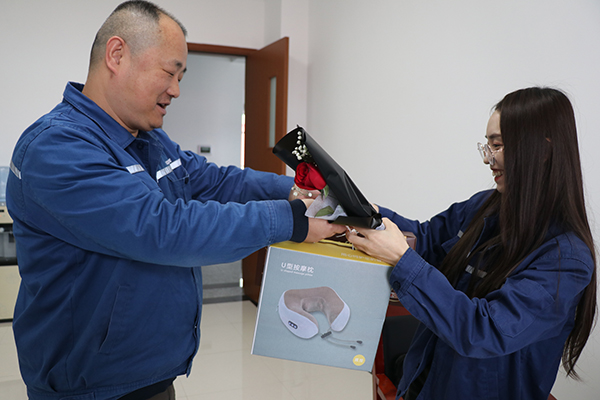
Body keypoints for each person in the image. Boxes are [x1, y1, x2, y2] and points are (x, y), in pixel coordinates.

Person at [6, 1, 344, 400]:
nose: (176, 90)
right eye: (169, 72)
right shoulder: (58, 147)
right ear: (117, 55)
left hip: (151, 374)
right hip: (91, 387)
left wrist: (294, 191)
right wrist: (291, 219)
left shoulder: (148, 139)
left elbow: (216, 182)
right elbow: (162, 229)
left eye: (181, 77)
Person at [347, 87, 597, 400]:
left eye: (498, 145)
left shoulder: (566, 259)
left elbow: (484, 331)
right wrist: (368, 213)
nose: (489, 159)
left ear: (543, 150)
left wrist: (401, 259)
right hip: (424, 384)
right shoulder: (485, 207)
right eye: (488, 146)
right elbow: (427, 239)